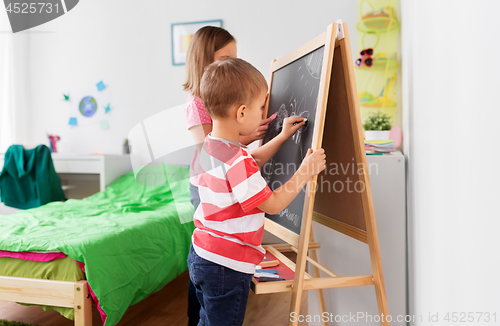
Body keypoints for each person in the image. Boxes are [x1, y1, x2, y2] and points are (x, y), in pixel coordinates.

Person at [187, 58, 326, 326]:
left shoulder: (212, 146)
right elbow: (272, 204)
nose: (264, 112)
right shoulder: (236, 161)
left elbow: (251, 161)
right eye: (260, 107)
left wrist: (282, 136)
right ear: (241, 113)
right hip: (225, 265)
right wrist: (304, 172)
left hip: (203, 255)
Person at [183, 26, 274, 326]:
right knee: (210, 254)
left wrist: (249, 135)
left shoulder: (234, 144)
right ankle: (196, 313)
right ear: (204, 61)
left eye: (235, 57)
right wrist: (246, 137)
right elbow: (214, 149)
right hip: (206, 182)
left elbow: (229, 149)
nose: (231, 64)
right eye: (225, 58)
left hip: (223, 176)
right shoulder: (197, 105)